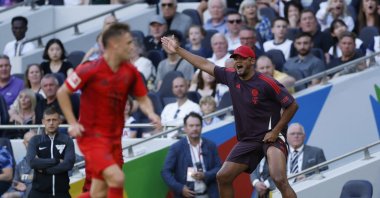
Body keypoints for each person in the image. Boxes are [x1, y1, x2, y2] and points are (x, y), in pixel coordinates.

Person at [162, 34, 298, 198]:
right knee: (223, 176)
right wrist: (178, 50)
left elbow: (292, 105)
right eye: (235, 58)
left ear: (252, 61)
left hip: (273, 136)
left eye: (242, 58)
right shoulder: (231, 75)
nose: (238, 61)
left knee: (279, 178)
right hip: (249, 139)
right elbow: (205, 63)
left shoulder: (267, 82)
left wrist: (276, 131)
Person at [57, 23, 161, 198]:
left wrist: (151, 113)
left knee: (98, 193)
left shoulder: (130, 72)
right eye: (128, 43)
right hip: (92, 138)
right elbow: (62, 92)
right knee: (117, 178)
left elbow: (142, 98)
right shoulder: (89, 69)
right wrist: (73, 123)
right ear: (114, 44)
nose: (132, 47)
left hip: (114, 140)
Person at [161, 112, 222, 198]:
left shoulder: (210, 145)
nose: (195, 128)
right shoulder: (176, 148)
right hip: (186, 195)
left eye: (197, 125)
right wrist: (180, 188)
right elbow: (165, 172)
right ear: (185, 128)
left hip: (209, 194)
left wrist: (205, 175)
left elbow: (219, 168)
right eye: (191, 126)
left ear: (201, 127)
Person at [26, 107, 75, 198]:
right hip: (38, 193)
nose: (51, 123)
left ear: (59, 121)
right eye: (48, 120)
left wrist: (44, 170)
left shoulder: (67, 140)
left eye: (54, 120)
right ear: (43, 121)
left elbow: (68, 164)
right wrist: (56, 161)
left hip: (61, 193)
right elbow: (32, 162)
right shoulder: (35, 140)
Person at [2, 130, 36, 198]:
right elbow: (15, 182)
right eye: (28, 142)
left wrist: (27, 187)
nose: (31, 145)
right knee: (6, 196)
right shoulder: (20, 164)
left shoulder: (45, 161)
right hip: (22, 192)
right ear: (24, 143)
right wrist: (16, 184)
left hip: (36, 192)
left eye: (33, 142)